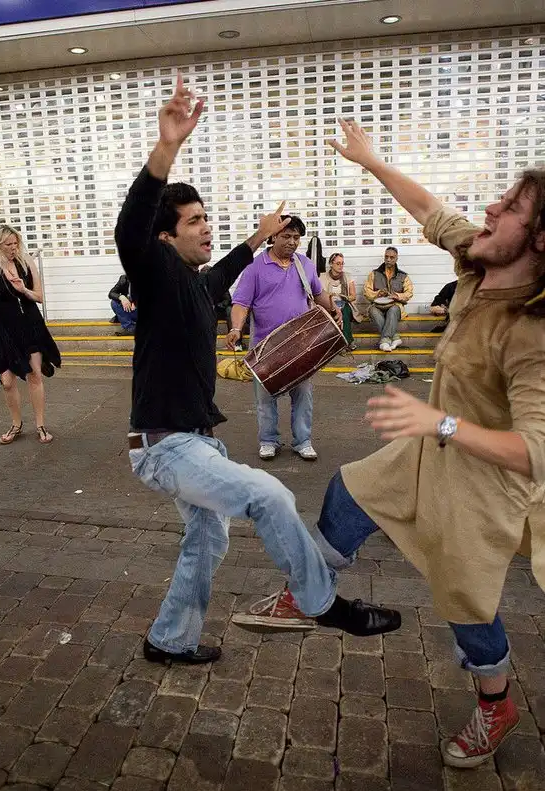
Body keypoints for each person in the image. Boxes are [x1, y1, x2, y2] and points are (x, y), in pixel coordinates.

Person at [237, 118, 545, 769]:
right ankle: (309, 593)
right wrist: (371, 162)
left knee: (467, 600)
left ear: (541, 238)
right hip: (427, 448)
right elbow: (430, 209)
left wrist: (440, 424)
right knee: (349, 490)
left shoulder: (533, 331)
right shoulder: (481, 257)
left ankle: (496, 704)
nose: (491, 208)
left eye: (512, 207)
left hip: (482, 482)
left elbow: (534, 451)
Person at [115, 75, 400, 666]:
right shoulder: (155, 273)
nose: (206, 226)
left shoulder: (195, 286)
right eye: (194, 221)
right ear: (165, 237)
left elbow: (225, 272)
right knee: (269, 494)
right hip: (165, 447)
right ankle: (321, 603)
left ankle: (168, 640)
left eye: (206, 217)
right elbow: (131, 226)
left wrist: (259, 237)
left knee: (207, 537)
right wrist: (167, 147)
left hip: (197, 442)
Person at [227, 216, 342, 461]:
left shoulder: (304, 264)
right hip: (265, 347)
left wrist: (333, 308)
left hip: (301, 345)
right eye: (286, 236)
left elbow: (318, 293)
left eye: (296, 237)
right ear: (273, 237)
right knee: (265, 399)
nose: (292, 242)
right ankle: (269, 441)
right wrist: (236, 328)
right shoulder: (255, 267)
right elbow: (241, 303)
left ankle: (303, 441)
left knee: (303, 395)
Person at [0, 224, 61, 445]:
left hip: (29, 325)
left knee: (34, 375)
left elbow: (39, 297)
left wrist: (23, 290)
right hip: (2, 331)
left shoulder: (26, 263)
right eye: (8, 244)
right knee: (7, 381)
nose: (13, 248)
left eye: (16, 243)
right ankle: (16, 424)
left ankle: (40, 425)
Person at [364, 246, 414, 351]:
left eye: (392, 257)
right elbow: (366, 292)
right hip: (378, 306)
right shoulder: (374, 274)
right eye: (386, 257)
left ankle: (385, 341)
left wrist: (397, 296)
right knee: (372, 310)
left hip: (395, 305)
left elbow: (409, 293)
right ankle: (395, 337)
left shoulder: (403, 276)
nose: (388, 259)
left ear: (396, 258)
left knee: (393, 310)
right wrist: (377, 293)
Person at [319, 252, 362, 348]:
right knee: (336, 311)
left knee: (344, 310)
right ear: (331, 264)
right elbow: (319, 295)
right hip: (329, 304)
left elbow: (353, 296)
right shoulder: (322, 277)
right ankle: (344, 342)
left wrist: (345, 297)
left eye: (342, 263)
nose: (341, 266)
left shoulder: (347, 276)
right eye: (338, 263)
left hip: (344, 303)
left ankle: (346, 342)